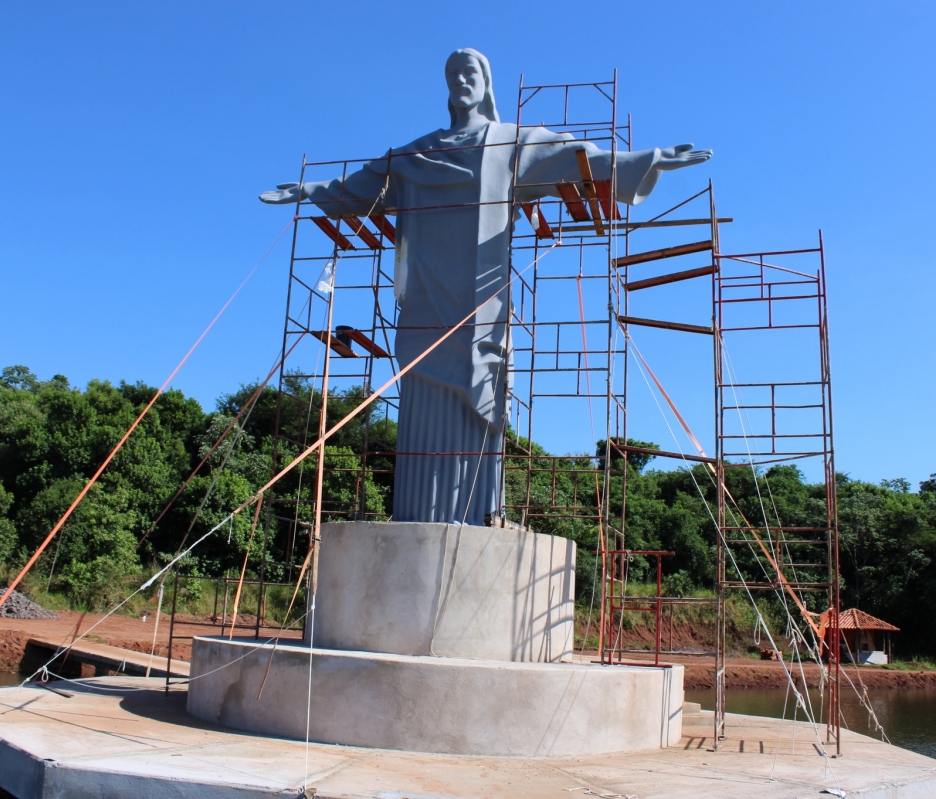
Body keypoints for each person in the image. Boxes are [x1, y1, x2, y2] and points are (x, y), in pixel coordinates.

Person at [261, 49, 711, 525]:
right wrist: (309, 190)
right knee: (421, 411)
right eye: (452, 74)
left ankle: (476, 518)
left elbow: (578, 160)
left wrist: (651, 158)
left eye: (469, 73)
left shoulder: (508, 144)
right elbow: (357, 188)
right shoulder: (413, 157)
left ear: (485, 82)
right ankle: (416, 517)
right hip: (423, 308)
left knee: (479, 402)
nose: (460, 81)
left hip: (480, 307)